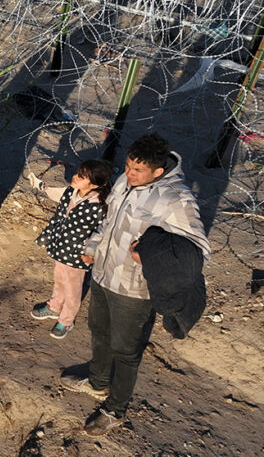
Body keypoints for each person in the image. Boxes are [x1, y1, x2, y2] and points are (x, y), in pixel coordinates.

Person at [60, 133, 209, 436]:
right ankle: (99, 383)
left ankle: (116, 409)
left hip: (134, 289)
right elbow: (108, 220)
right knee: (99, 331)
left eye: (137, 171)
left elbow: (197, 250)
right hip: (103, 275)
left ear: (158, 170)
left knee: (126, 351)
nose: (128, 174)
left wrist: (151, 256)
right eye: (127, 166)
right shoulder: (124, 182)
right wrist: (92, 247)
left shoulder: (176, 200)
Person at [28, 159, 113, 339]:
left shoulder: (99, 206)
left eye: (81, 176)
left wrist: (91, 252)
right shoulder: (71, 192)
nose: (75, 177)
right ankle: (54, 306)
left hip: (78, 255)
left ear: (95, 184)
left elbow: (102, 232)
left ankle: (66, 320)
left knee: (73, 288)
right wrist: (47, 238)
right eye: (77, 173)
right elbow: (58, 216)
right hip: (62, 247)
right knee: (59, 278)